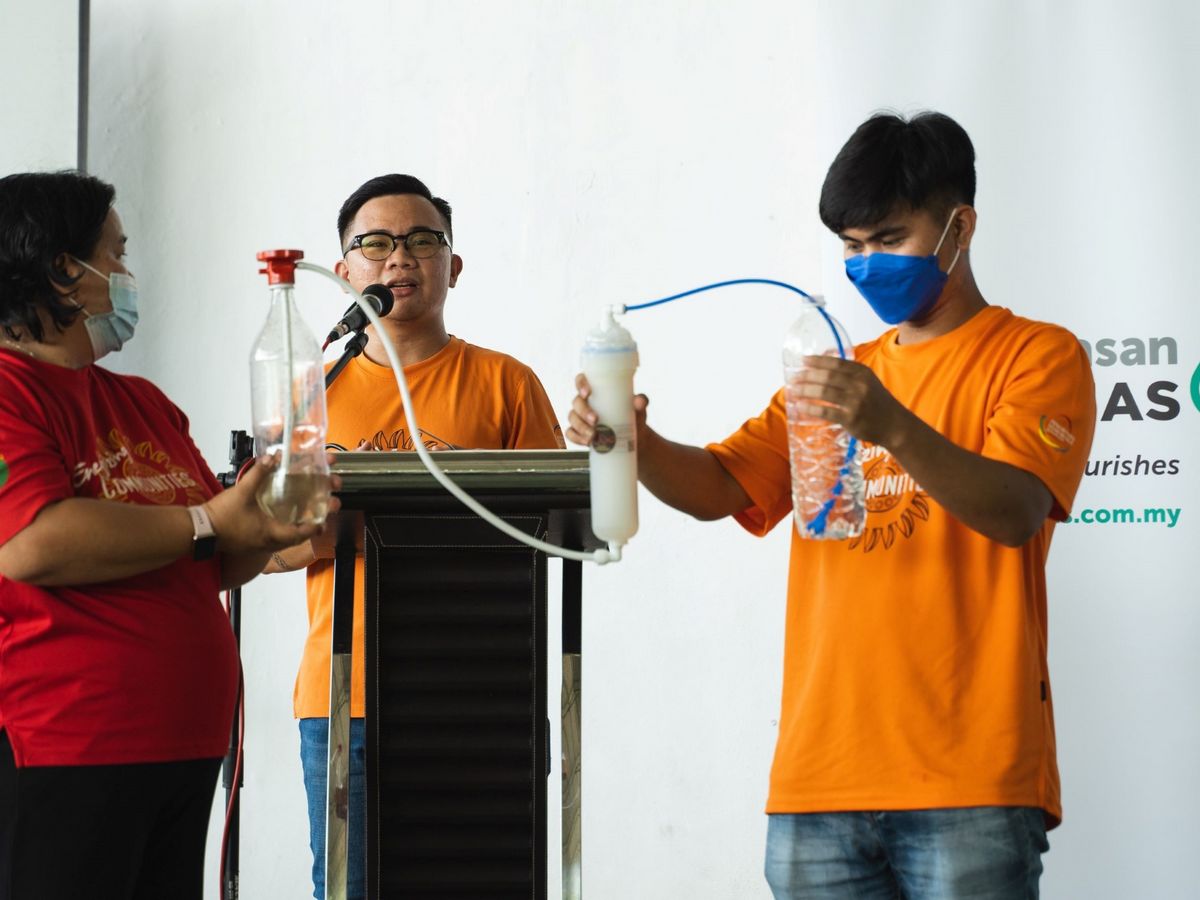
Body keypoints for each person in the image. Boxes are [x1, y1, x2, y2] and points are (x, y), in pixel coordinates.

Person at [568, 112, 1096, 899]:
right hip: (818, 783)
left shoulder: (1036, 355)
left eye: (889, 239)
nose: (867, 264)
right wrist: (633, 441)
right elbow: (724, 486)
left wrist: (890, 425)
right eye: (851, 245)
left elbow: (1015, 509)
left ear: (962, 226)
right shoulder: (832, 371)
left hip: (969, 780)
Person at [0, 171, 336, 900]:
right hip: (69, 746)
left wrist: (270, 522)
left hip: (182, 748)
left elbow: (209, 554)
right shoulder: (8, 392)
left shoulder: (141, 402)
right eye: (114, 256)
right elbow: (33, 542)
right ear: (63, 269)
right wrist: (210, 520)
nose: (126, 276)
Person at [265, 174, 563, 900]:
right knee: (350, 886)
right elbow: (263, 545)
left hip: (482, 689)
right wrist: (326, 531)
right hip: (345, 695)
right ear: (345, 273)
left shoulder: (507, 384)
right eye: (376, 243)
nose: (400, 258)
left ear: (453, 266)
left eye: (423, 241)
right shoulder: (313, 393)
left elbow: (555, 529)